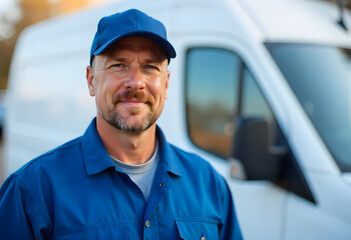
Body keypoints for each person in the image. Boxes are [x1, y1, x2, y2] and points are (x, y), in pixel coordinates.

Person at [0, 9, 243, 240]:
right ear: (91, 80)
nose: (136, 82)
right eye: (119, 65)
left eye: (150, 67)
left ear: (166, 84)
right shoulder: (33, 189)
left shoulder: (208, 183)